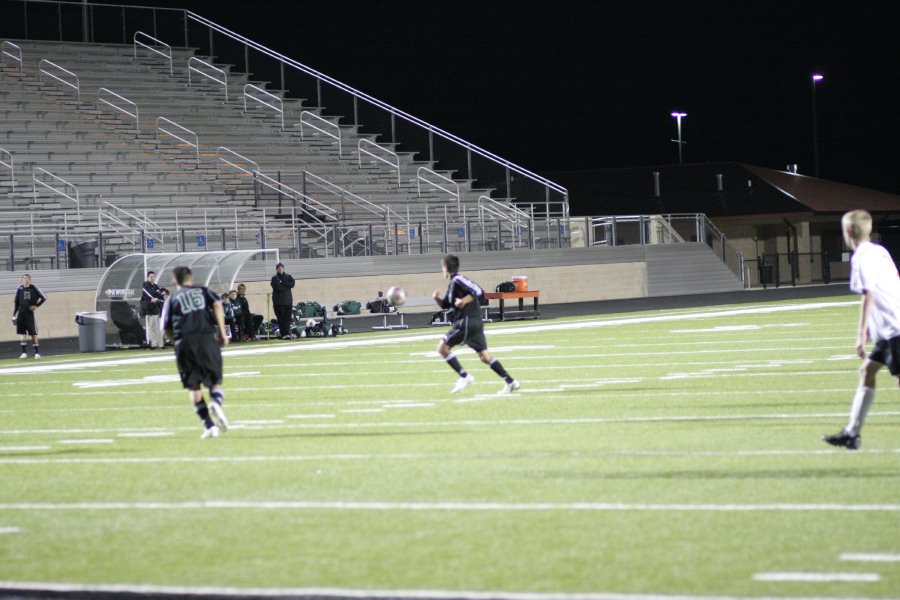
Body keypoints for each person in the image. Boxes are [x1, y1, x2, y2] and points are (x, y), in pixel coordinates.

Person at [824, 209, 900, 450]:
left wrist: (860, 335)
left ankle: (852, 433)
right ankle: (852, 433)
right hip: (891, 326)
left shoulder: (861, 257)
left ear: (847, 232)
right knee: (867, 372)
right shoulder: (880, 250)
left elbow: (868, 293)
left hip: (893, 327)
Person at [432, 254, 520, 395]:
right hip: (474, 323)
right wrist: (437, 299)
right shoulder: (453, 284)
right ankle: (511, 382)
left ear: (446, 268)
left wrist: (463, 301)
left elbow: (479, 291)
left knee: (442, 348)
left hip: (466, 321)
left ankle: (464, 376)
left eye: (442, 267)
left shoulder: (458, 280)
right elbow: (446, 305)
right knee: (485, 357)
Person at [161, 266, 230, 439]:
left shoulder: (171, 299)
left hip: (184, 342)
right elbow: (217, 304)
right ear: (191, 279)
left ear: (174, 281)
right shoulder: (202, 290)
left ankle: (209, 426)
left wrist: (176, 341)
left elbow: (165, 328)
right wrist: (222, 333)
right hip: (207, 338)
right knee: (215, 381)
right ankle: (215, 401)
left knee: (193, 386)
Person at [12, 274, 47, 360]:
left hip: (30, 314)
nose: (26, 280)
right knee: (22, 334)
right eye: (24, 278)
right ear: (22, 280)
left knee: (33, 333)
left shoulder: (34, 288)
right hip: (21, 314)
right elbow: (16, 303)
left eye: (27, 278)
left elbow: (44, 297)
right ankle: (24, 353)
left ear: (30, 280)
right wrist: (14, 315)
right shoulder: (19, 289)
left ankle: (37, 353)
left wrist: (36, 305)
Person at [140, 270, 165, 349]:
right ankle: (153, 344)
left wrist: (157, 298)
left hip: (157, 310)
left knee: (159, 328)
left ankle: (160, 344)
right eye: (151, 277)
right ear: (148, 277)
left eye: (153, 277)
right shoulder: (145, 285)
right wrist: (156, 297)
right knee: (152, 328)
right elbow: (150, 294)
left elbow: (161, 296)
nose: (152, 278)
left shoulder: (156, 286)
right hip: (150, 310)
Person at [270, 262, 295, 339]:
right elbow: (277, 288)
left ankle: (286, 333)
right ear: (276, 270)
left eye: (281, 268)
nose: (280, 269)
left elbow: (292, 284)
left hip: (288, 302)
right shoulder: (274, 278)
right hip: (278, 303)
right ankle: (283, 334)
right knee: (281, 319)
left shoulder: (288, 276)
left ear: (283, 268)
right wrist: (285, 286)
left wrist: (282, 283)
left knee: (287, 319)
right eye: (278, 268)